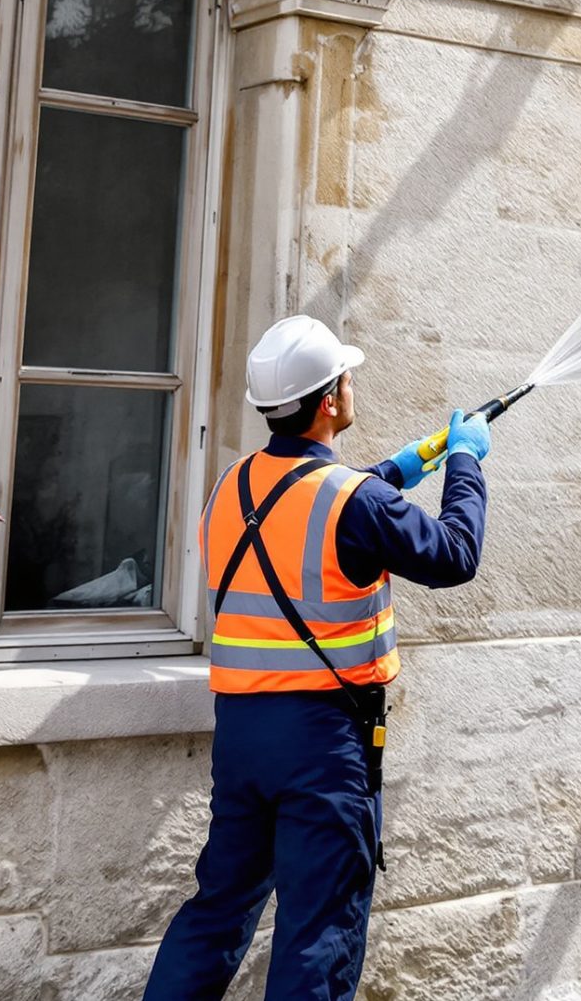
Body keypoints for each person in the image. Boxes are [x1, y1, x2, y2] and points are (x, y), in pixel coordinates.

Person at [144, 315, 494, 1001]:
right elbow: (456, 554)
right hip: (325, 743)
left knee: (217, 909)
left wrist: (399, 468)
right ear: (330, 399)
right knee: (318, 930)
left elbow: (305, 505)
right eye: (347, 376)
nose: (351, 383)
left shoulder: (233, 486)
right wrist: (466, 460)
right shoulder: (356, 503)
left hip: (243, 737)